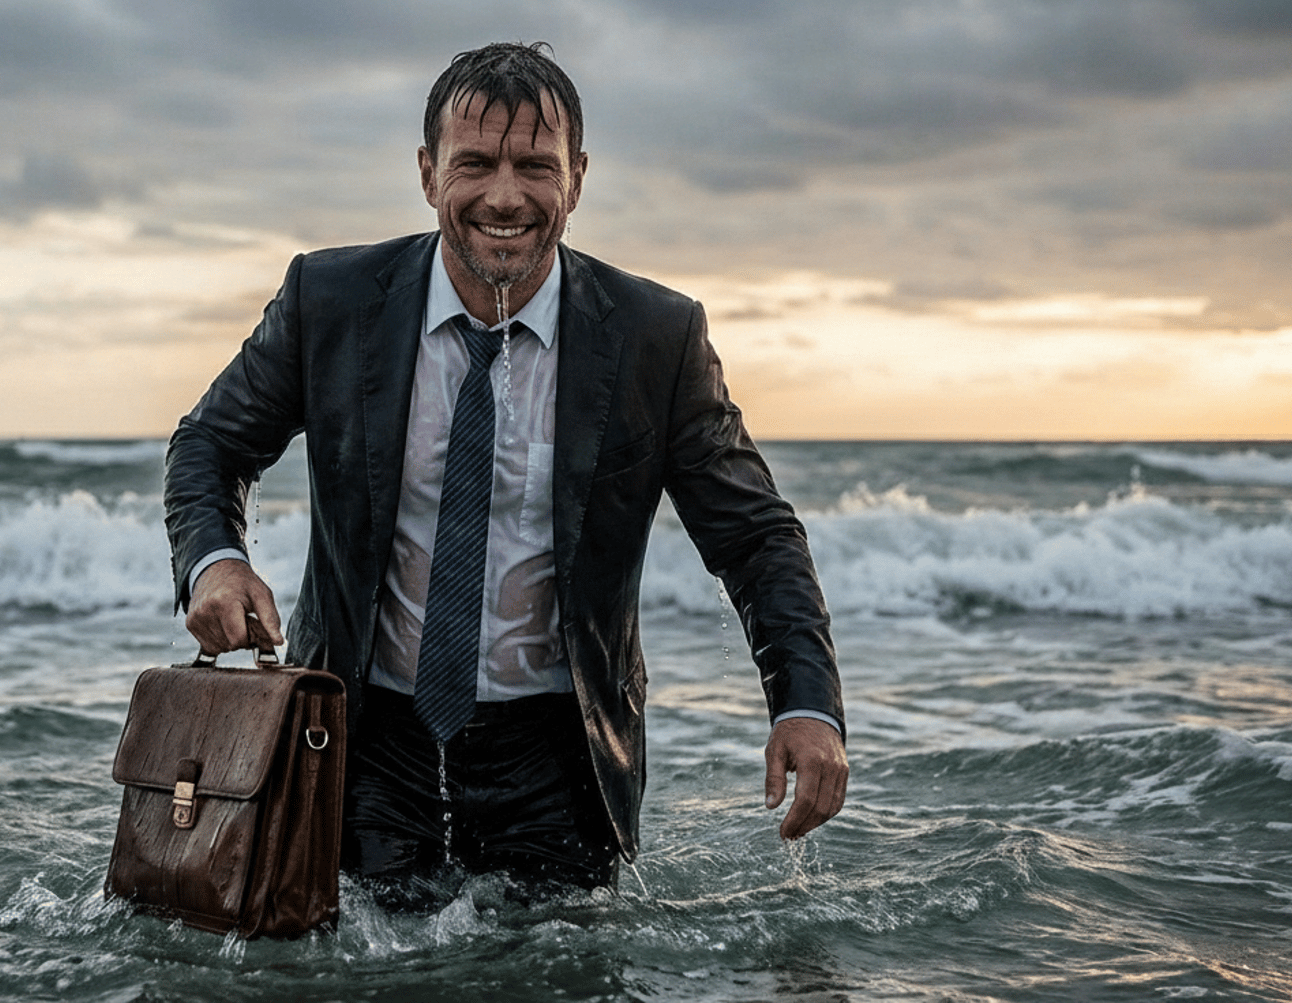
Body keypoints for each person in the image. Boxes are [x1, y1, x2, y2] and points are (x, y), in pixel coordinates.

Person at [165, 42, 845, 905]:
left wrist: (806, 703)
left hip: (561, 755)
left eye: (536, 166)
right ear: (427, 172)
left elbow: (754, 536)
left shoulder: (654, 337)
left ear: (579, 177)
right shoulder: (329, 300)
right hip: (362, 735)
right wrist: (215, 558)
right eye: (475, 163)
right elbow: (207, 445)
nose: (505, 195)